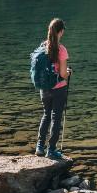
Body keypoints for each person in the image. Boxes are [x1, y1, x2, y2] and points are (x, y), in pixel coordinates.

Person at [35, 17, 70, 160]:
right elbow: (62, 74)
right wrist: (68, 72)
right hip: (58, 88)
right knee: (56, 117)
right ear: (61, 32)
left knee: (46, 115)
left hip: (44, 88)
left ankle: (39, 147)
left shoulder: (42, 46)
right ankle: (52, 150)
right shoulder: (61, 49)